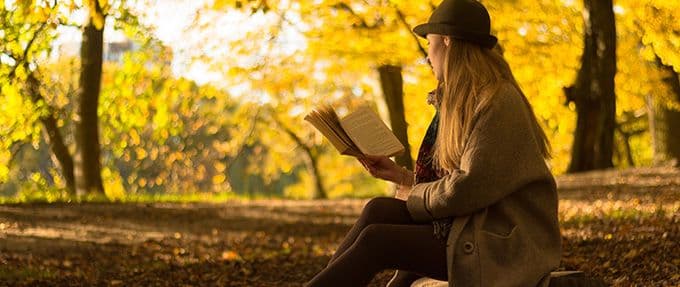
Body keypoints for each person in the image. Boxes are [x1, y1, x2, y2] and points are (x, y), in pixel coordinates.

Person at [304, 0, 562, 286]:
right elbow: (454, 182)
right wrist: (400, 177)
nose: (427, 57)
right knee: (378, 209)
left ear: (447, 42)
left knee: (377, 241)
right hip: (469, 226)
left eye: (429, 45)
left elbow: (468, 188)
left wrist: (413, 194)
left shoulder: (499, 102)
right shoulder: (463, 100)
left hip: (500, 242)